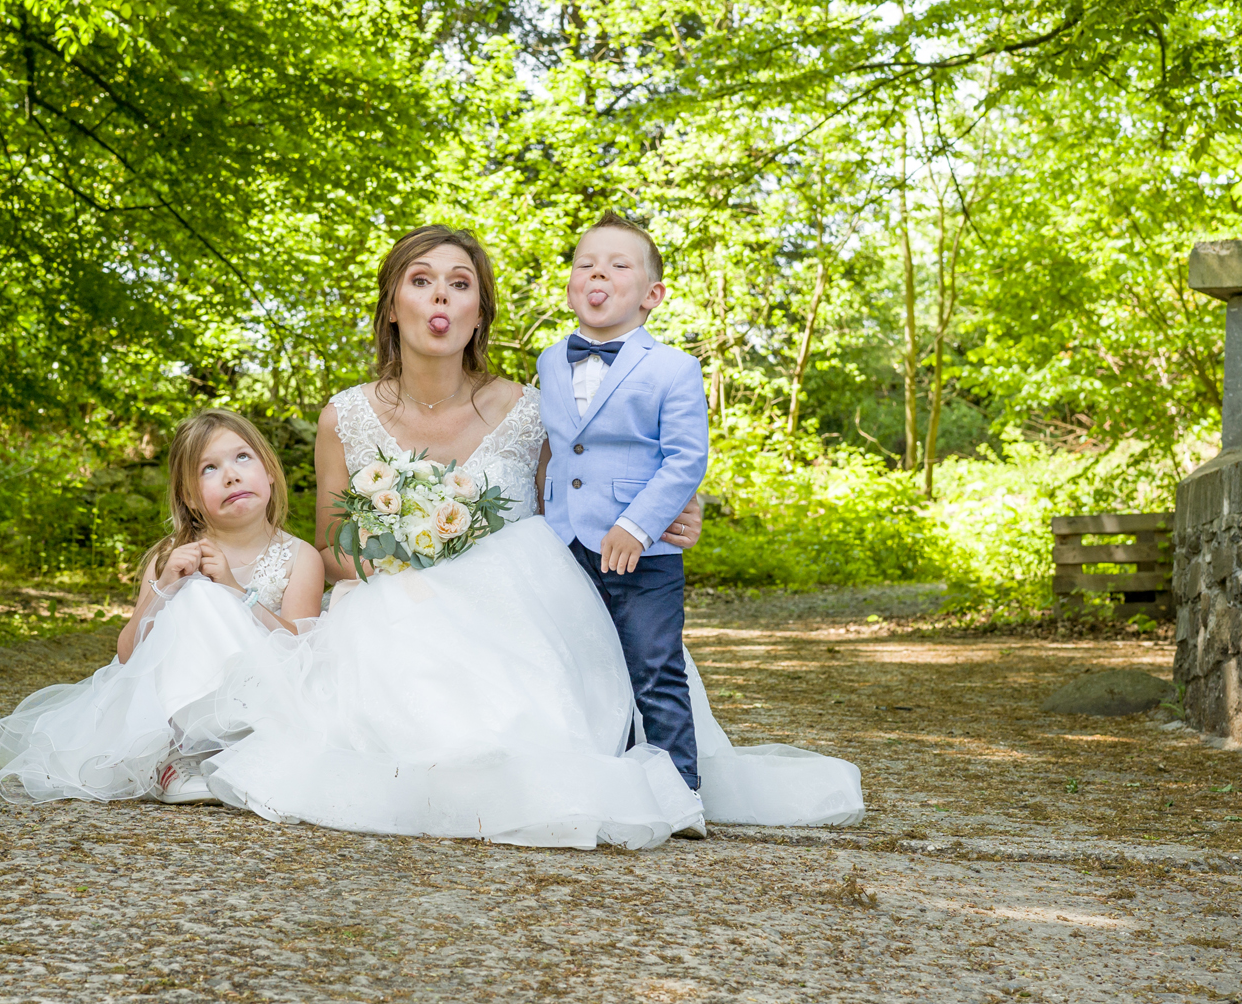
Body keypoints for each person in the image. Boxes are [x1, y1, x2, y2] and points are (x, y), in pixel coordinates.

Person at [173, 224, 863, 848]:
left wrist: (677, 511)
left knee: (540, 732)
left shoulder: (533, 409)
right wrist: (403, 568)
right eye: (420, 281)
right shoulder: (343, 417)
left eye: (460, 284)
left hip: (519, 618)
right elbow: (328, 547)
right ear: (392, 306)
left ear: (479, 312)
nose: (440, 296)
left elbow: (591, 494)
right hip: (392, 616)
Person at [0, 409, 324, 806]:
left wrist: (237, 592)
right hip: (178, 714)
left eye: (242, 458)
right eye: (209, 469)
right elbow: (130, 654)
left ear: (269, 470)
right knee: (196, 594)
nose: (231, 475)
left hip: (257, 702)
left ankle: (235, 753)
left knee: (212, 596)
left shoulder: (299, 557)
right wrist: (166, 587)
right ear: (189, 497)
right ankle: (179, 757)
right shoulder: (173, 555)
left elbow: (301, 650)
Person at [536, 210, 710, 834]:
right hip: (564, 543)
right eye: (585, 263)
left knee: (652, 665)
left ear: (652, 295)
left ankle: (680, 792)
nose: (598, 274)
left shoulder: (674, 369)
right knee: (579, 668)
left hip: (645, 551)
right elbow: (558, 449)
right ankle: (598, 784)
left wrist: (637, 526)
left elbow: (686, 458)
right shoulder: (550, 361)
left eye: (617, 265)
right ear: (571, 284)